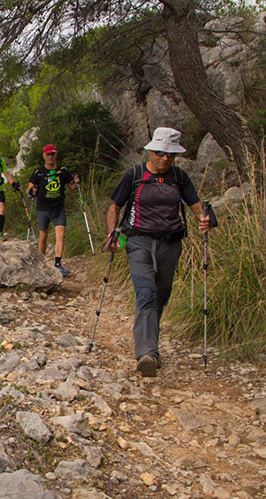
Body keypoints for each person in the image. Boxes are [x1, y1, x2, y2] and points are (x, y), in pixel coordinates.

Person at [105, 127, 212, 378]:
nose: (165, 159)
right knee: (146, 293)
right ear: (151, 151)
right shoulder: (135, 175)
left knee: (160, 297)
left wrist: (203, 219)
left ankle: (151, 344)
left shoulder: (179, 177)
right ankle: (146, 353)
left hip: (170, 244)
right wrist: (112, 234)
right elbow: (115, 207)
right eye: (160, 153)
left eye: (170, 155)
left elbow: (194, 203)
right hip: (138, 242)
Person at [27, 144, 79, 275]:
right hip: (43, 208)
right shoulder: (38, 172)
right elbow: (30, 188)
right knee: (43, 236)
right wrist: (31, 191)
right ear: (44, 155)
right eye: (48, 154)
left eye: (53, 154)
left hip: (58, 207)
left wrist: (77, 182)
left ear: (56, 155)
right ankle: (41, 262)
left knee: (60, 235)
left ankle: (58, 264)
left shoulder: (63, 171)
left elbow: (72, 187)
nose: (50, 156)